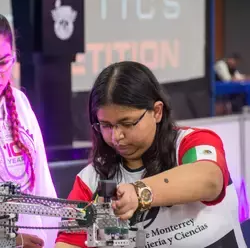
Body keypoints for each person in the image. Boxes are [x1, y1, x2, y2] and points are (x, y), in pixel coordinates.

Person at [55, 61, 247, 248]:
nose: (116, 136)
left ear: (157, 112)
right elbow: (69, 242)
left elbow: (210, 179)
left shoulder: (189, 143)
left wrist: (139, 193)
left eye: (128, 123)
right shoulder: (92, 180)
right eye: (106, 126)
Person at [0, 14, 59, 247]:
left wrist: (58, 241)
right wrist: (7, 240)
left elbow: (43, 185)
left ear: (14, 58)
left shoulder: (20, 103)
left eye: (3, 62)